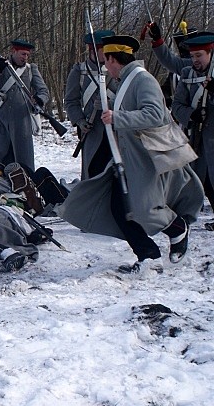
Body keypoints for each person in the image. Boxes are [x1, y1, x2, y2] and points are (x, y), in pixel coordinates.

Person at [58, 35, 204, 273]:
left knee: (146, 209)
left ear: (114, 59)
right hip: (126, 156)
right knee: (119, 207)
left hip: (146, 157)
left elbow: (155, 115)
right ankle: (147, 254)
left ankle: (177, 228)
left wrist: (118, 117)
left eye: (107, 60)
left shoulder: (143, 80)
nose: (105, 66)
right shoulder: (125, 80)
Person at [0, 38, 50, 172]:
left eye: (27, 55)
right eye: (23, 54)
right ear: (13, 51)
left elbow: (43, 91)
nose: (26, 57)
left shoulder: (31, 69)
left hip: (21, 122)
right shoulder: (1, 66)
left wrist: (39, 100)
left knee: (24, 165)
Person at [170, 33, 214, 229]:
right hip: (197, 135)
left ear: (210, 53)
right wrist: (191, 114)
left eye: (199, 56)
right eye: (193, 56)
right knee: (202, 179)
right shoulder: (187, 74)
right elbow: (177, 106)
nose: (195, 60)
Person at [64, 29, 118, 179]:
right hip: (93, 131)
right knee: (93, 172)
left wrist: (110, 104)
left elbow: (127, 98)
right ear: (93, 50)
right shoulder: (79, 71)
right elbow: (71, 101)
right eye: (104, 50)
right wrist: (80, 121)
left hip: (117, 129)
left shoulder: (118, 69)